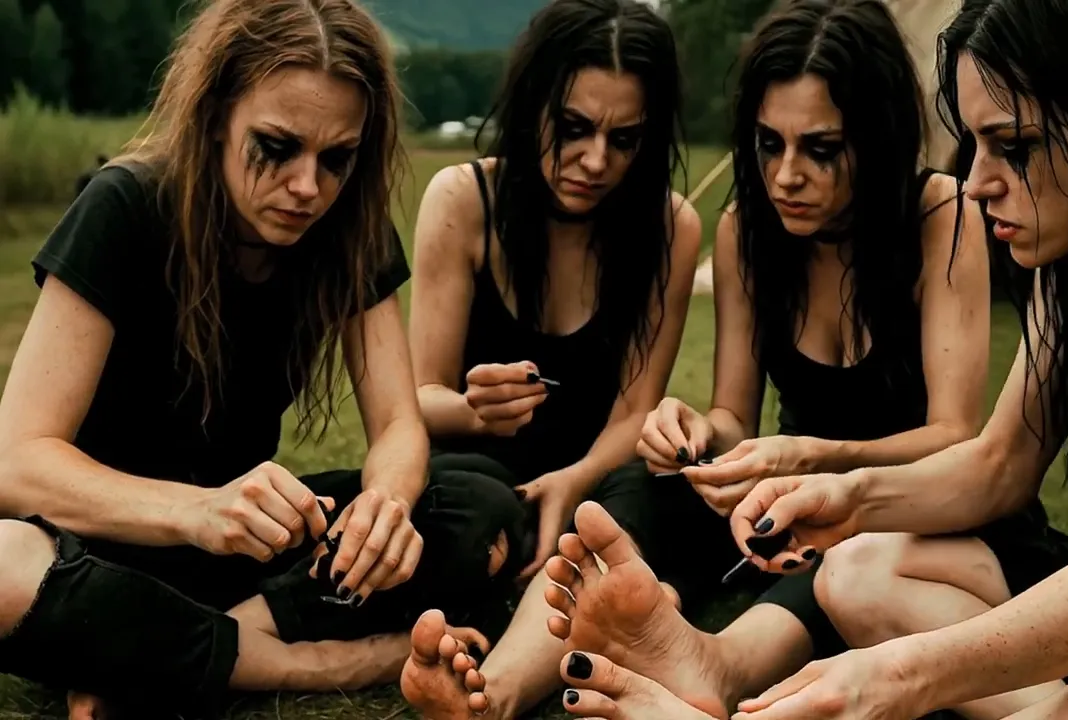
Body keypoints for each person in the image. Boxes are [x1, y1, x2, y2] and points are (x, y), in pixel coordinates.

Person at [681, 0, 1068, 717]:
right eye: (974, 145)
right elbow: (999, 465)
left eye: (1014, 147)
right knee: (859, 571)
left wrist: (900, 675)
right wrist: (850, 499)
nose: (978, 181)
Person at [405, 1, 994, 719]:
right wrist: (688, 430)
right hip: (776, 504)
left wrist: (812, 457)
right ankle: (502, 691)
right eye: (768, 144)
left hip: (908, 502)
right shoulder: (748, 230)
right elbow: (732, 420)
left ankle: (707, 660)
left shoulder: (942, 216)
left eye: (820, 149)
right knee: (637, 489)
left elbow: (957, 438)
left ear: (876, 138)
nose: (785, 174)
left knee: (839, 543)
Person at [0, 1, 522, 718]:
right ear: (216, 116)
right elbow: (18, 462)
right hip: (104, 539)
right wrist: (197, 510)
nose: (308, 187)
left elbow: (400, 424)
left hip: (242, 554)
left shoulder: (351, 228)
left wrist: (386, 508)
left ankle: (149, 656)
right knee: (0, 563)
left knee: (478, 501)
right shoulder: (124, 206)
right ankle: (319, 662)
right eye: (276, 147)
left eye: (338, 158)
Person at [398, 0, 701, 717]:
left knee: (627, 504)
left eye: (624, 140)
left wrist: (574, 481)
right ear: (532, 105)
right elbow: (416, 400)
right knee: (476, 509)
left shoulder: (669, 227)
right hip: (483, 479)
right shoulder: (464, 199)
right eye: (573, 129)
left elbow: (636, 411)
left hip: (600, 480)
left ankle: (492, 694)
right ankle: (613, 613)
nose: (596, 161)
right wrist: (473, 408)